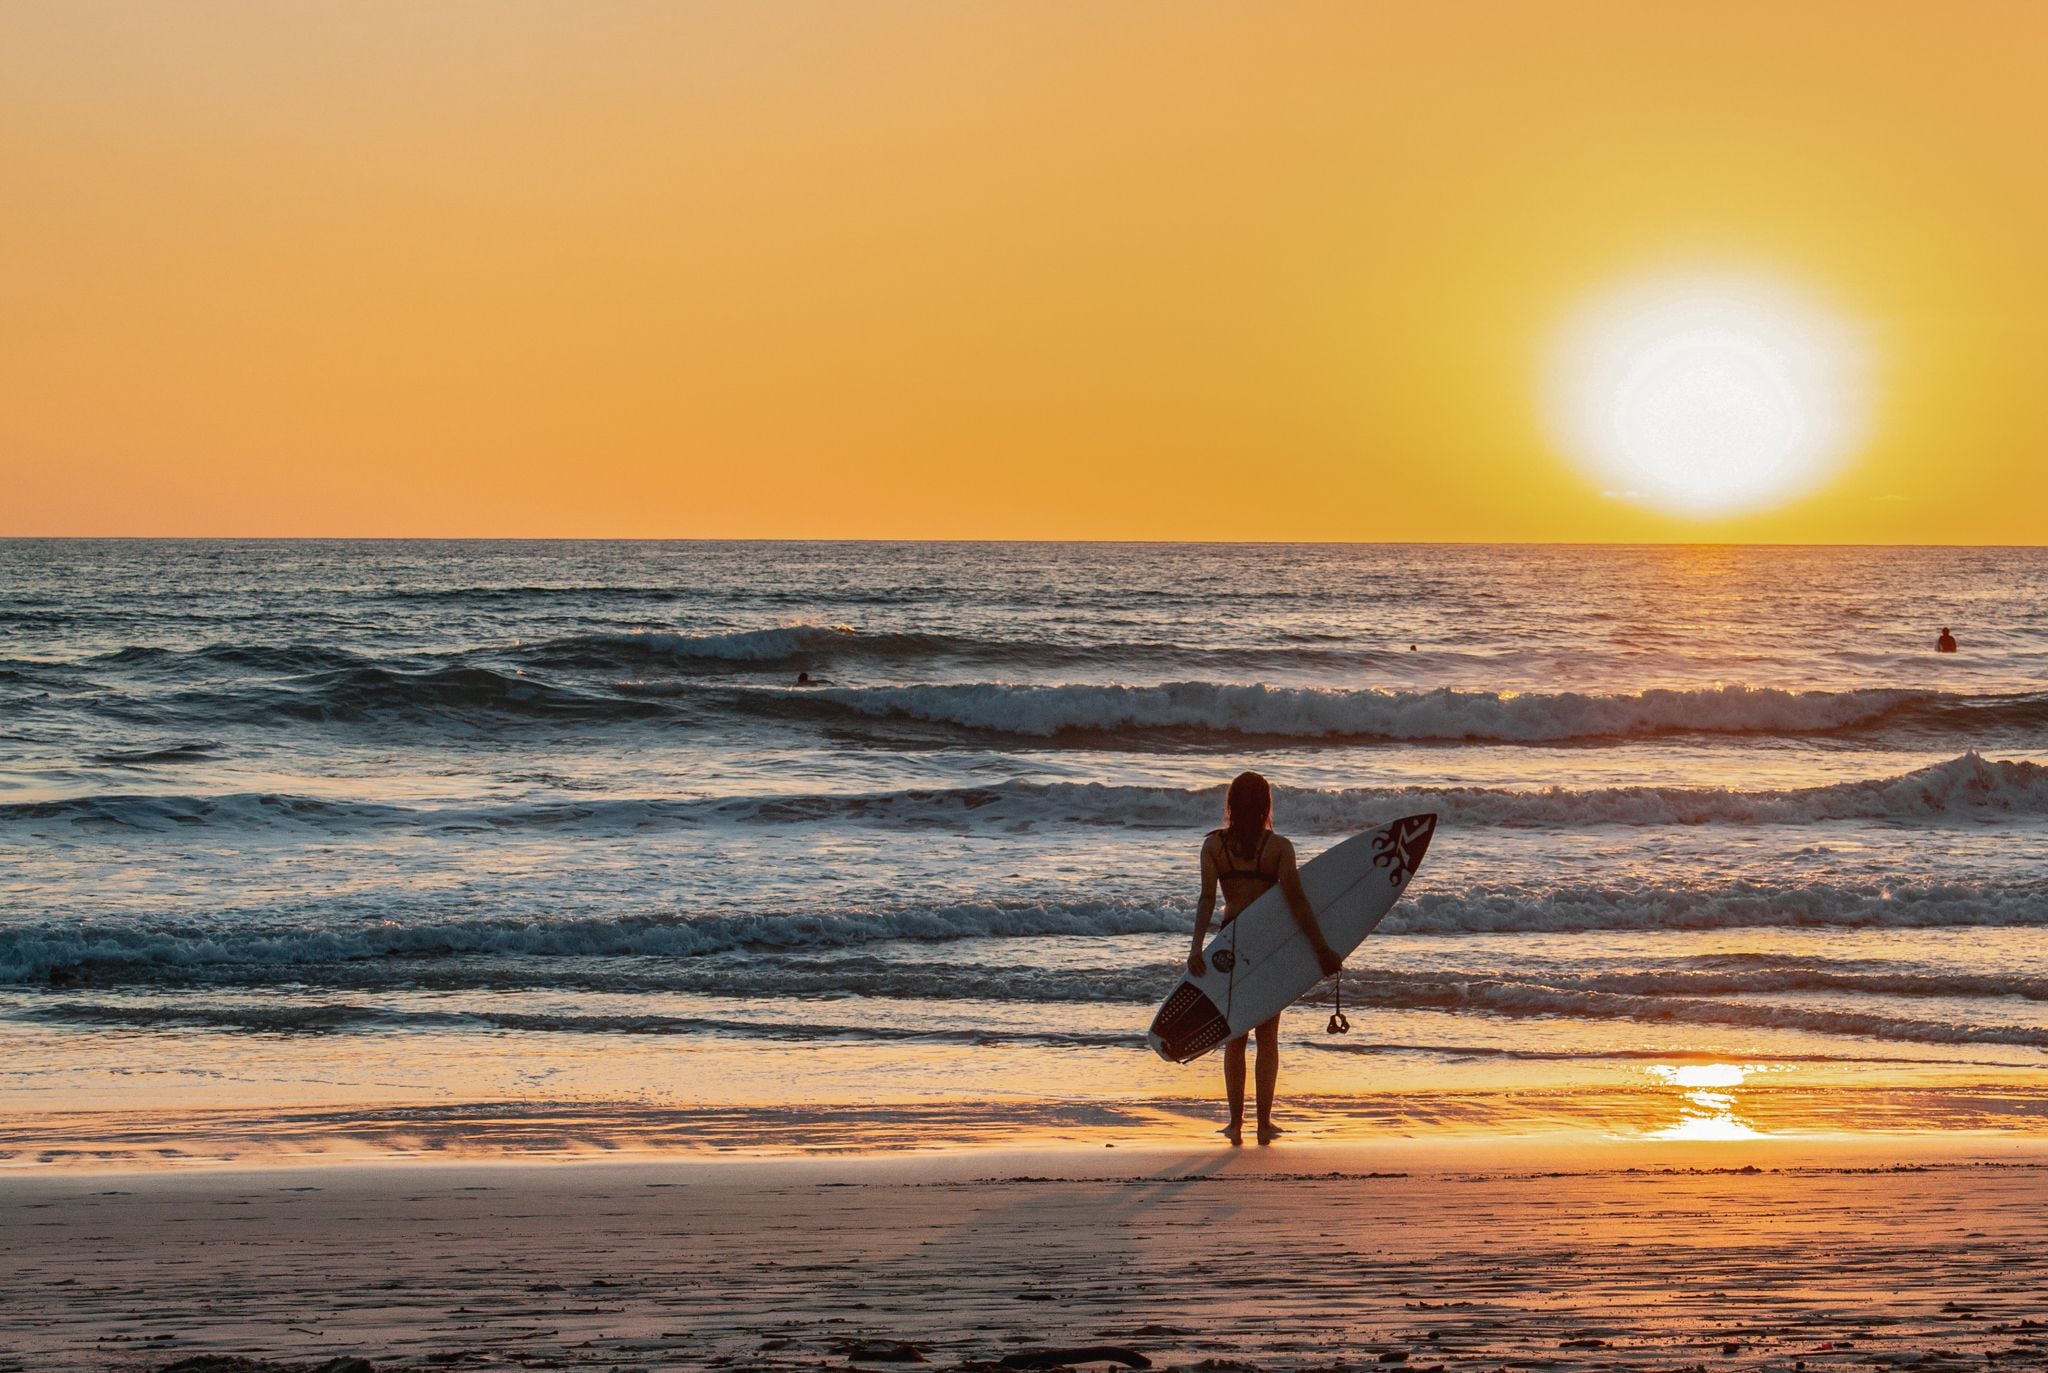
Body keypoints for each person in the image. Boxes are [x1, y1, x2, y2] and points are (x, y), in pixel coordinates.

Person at [1185, 771, 1342, 1146]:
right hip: (1269, 945)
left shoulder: (1213, 848)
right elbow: (1297, 903)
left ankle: (1236, 1123)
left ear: (1231, 805)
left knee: (1235, 1034)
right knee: (1267, 1036)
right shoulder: (1279, 848)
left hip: (1231, 943)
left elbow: (1208, 899)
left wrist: (1196, 948)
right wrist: (1320, 949)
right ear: (1266, 805)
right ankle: (1264, 1124)